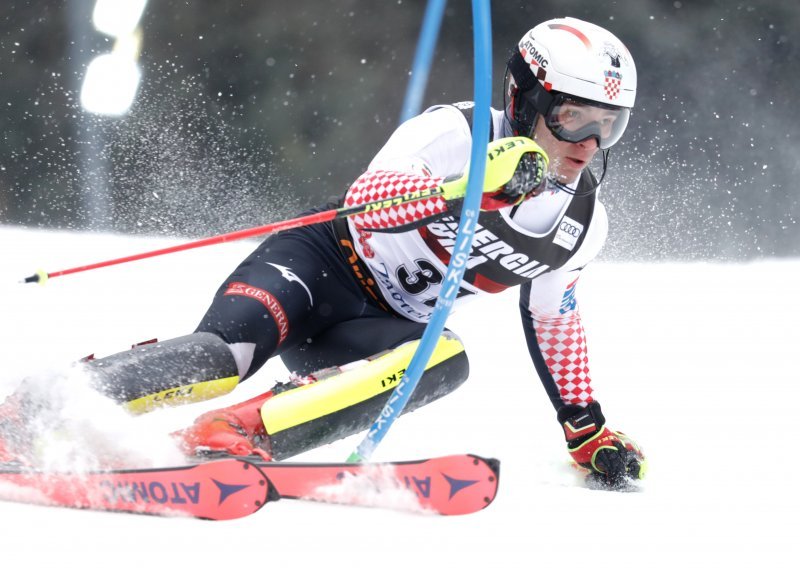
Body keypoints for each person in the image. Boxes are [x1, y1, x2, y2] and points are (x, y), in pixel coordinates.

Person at [0, 17, 646, 488]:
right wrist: (471, 187)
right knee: (221, 358)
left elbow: (554, 318)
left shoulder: (582, 226)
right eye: (572, 117)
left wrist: (584, 425)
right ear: (524, 99)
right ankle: (37, 406)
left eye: (607, 125)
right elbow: (369, 197)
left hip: (373, 330)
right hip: (316, 266)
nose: (588, 143)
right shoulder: (458, 132)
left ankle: (228, 437)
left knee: (444, 356)